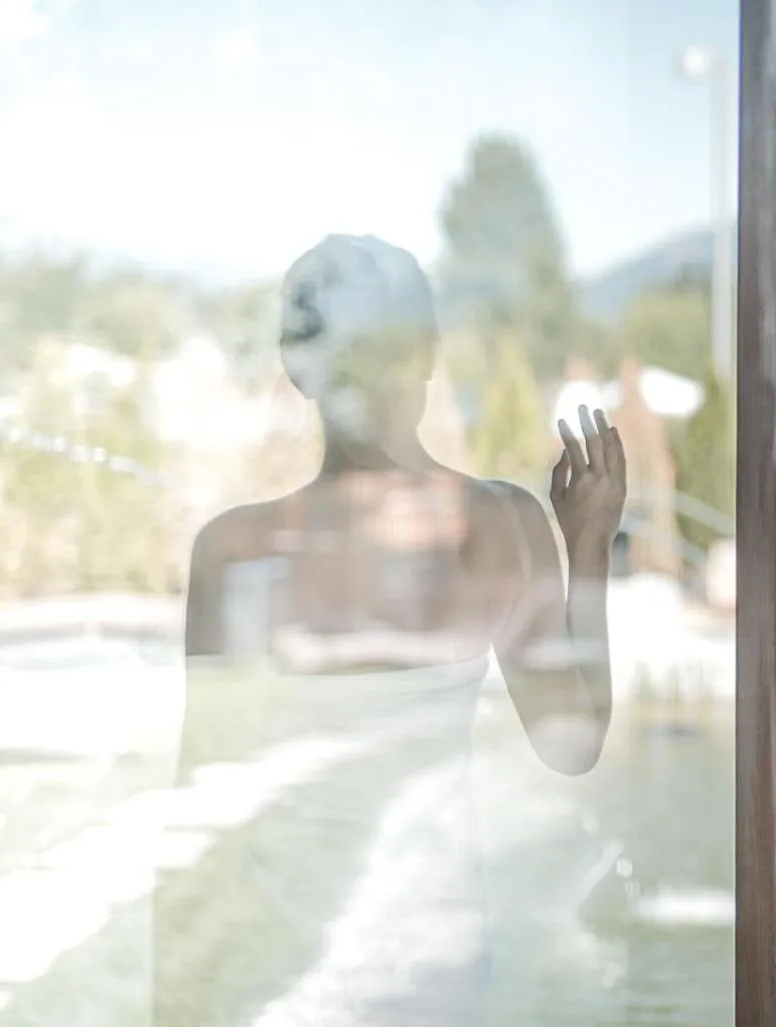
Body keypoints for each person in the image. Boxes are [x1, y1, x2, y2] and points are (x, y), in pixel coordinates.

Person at [153, 234, 625, 1026]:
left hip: (279, 966)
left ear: (296, 366)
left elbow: (202, 821)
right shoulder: (502, 523)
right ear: (429, 356)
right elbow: (572, 743)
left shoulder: (234, 551)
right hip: (429, 959)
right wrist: (587, 547)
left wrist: (171, 1010)